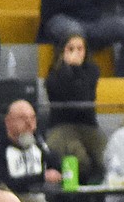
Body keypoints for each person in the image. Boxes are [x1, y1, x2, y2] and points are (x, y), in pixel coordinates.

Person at [43, 32, 105, 185]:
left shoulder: (92, 71)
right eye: (71, 49)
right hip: (61, 126)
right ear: (62, 51)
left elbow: (83, 96)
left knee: (106, 158)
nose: (76, 53)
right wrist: (69, 68)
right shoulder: (54, 75)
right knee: (79, 159)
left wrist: (76, 70)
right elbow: (66, 94)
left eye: (80, 49)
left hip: (88, 125)